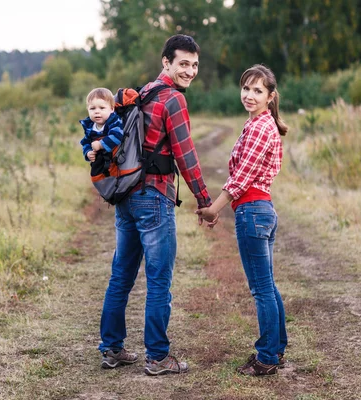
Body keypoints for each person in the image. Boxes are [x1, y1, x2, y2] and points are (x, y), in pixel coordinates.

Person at [98, 34, 217, 376]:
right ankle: (158, 356)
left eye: (194, 65)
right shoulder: (173, 100)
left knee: (121, 275)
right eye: (183, 63)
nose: (190, 71)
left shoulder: (144, 92)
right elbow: (186, 155)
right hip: (154, 198)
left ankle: (112, 348)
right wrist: (205, 201)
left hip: (127, 195)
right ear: (166, 61)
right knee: (159, 279)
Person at [196, 64, 289, 376]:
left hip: (253, 212)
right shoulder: (258, 125)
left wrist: (214, 209)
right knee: (268, 286)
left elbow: (241, 179)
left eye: (258, 91)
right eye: (246, 88)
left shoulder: (261, 128)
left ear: (270, 97)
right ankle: (275, 350)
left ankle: (266, 357)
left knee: (262, 289)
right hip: (261, 211)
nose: (250, 95)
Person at [79, 88, 124, 177]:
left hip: (117, 162)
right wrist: (88, 152)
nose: (97, 111)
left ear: (111, 109)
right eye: (92, 108)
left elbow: (118, 136)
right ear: (88, 110)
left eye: (102, 108)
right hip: (101, 164)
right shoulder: (90, 126)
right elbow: (85, 142)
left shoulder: (114, 121)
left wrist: (100, 144)